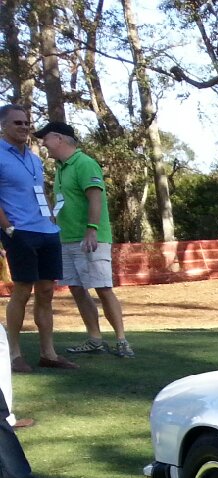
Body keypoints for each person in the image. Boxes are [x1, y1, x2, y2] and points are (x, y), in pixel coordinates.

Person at [36, 121, 132, 358]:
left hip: (90, 238)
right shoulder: (61, 168)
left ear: (59, 138)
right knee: (77, 289)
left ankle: (122, 340)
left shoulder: (84, 163)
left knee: (103, 288)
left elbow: (95, 198)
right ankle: (95, 339)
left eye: (46, 138)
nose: (43, 143)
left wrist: (92, 229)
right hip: (66, 239)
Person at [0, 103, 77, 373]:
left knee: (46, 292)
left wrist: (50, 220)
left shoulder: (34, 158)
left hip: (46, 231)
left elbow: (39, 192)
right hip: (19, 231)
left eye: (26, 122)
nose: (24, 127)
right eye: (17, 123)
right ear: (3, 126)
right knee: (22, 290)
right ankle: (14, 355)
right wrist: (8, 227)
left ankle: (48, 353)